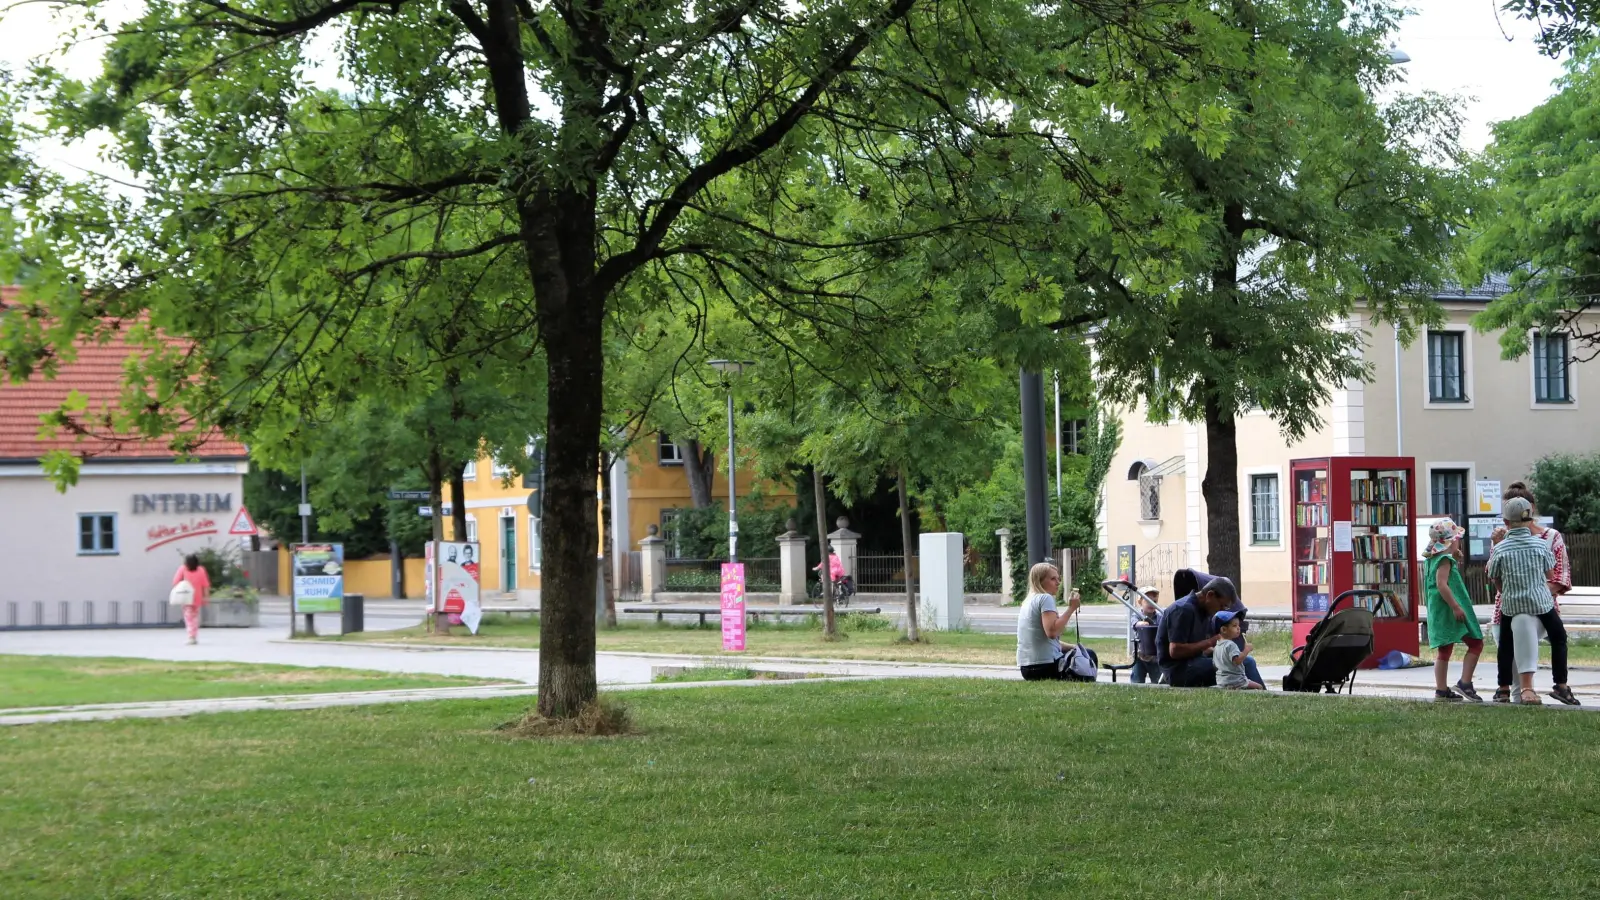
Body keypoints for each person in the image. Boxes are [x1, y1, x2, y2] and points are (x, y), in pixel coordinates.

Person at [1488, 482, 1577, 705]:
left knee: (1515, 634)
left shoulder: (1550, 537)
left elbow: (1495, 576)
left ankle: (1507, 689)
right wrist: (1533, 589)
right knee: (1556, 636)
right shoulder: (1535, 545)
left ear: (1507, 518)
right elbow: (1550, 571)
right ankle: (1548, 688)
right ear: (1529, 514)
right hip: (1537, 602)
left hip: (1512, 604)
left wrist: (1515, 589)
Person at [1423, 518, 1485, 702]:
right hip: (1449, 609)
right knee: (1476, 643)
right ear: (1451, 541)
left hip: (1439, 610)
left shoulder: (1434, 558)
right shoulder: (1444, 560)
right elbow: (1442, 584)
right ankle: (1465, 683)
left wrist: (1454, 558)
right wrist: (1456, 607)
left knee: (1444, 649)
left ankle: (1441, 690)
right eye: (1457, 538)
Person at [1155, 575, 1242, 687]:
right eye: (1222, 605)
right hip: (1178, 670)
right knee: (1232, 665)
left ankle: (1259, 693)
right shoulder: (1183, 609)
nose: (1221, 610)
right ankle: (1255, 694)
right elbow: (1175, 651)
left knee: (1244, 660)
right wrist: (1211, 642)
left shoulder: (1205, 611)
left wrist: (1219, 650)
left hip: (1196, 661)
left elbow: (1200, 647)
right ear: (1210, 595)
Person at [1016, 562, 1088, 680]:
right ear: (1040, 581)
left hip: (1027, 668)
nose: (1058, 582)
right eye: (1053, 579)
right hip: (1046, 666)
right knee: (1088, 655)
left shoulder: (1028, 601)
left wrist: (1074, 647)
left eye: (1058, 578)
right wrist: (1071, 608)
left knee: (1077, 652)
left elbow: (1047, 642)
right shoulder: (1045, 598)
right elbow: (1052, 632)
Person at [1212, 610, 1263, 690]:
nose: (1238, 628)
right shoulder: (1231, 645)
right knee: (1259, 687)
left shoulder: (1217, 646)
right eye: (1234, 626)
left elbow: (1215, 664)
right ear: (1224, 630)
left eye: (1238, 625)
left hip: (1222, 681)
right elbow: (1237, 660)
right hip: (1236, 681)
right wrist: (1246, 650)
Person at [171, 553, 211, 645]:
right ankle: (193, 635)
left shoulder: (183, 569)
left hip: (186, 597)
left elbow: (175, 582)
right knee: (195, 617)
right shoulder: (201, 570)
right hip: (197, 597)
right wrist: (206, 597)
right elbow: (205, 585)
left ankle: (191, 636)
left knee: (188, 617)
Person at [1129, 587, 1163, 684]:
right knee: (1137, 681)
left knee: (1158, 682)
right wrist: (1140, 624)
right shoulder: (1136, 615)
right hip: (1140, 655)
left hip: (1155, 656)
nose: (1151, 603)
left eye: (1154, 601)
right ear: (1140, 602)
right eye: (1148, 601)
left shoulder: (1160, 616)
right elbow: (1134, 624)